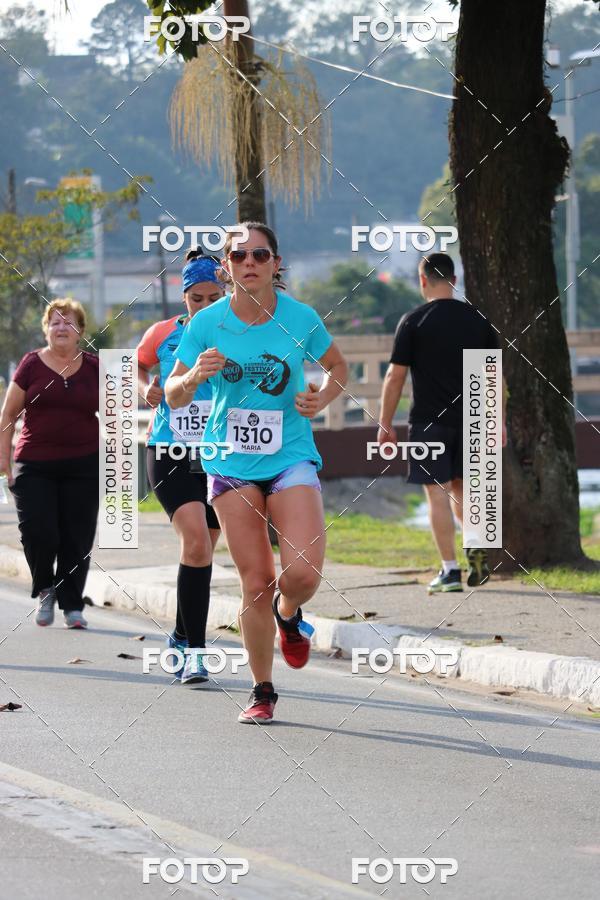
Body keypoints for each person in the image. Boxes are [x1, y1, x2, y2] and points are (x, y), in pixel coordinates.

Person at [166, 222, 348, 724]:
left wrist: (322, 399)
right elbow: (173, 393)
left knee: (302, 574)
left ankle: (289, 616)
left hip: (290, 455)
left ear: (276, 263)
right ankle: (262, 690)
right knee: (256, 582)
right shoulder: (207, 322)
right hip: (229, 462)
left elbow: (337, 367)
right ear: (226, 267)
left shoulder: (300, 317)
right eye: (239, 255)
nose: (250, 263)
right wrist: (193, 376)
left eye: (260, 255)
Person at [376, 253, 507, 593]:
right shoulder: (478, 320)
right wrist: (498, 421)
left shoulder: (413, 321)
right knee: (466, 490)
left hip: (428, 422)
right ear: (454, 280)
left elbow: (394, 377)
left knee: (437, 493)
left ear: (423, 280)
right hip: (474, 420)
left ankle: (449, 572)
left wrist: (385, 422)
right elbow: (493, 377)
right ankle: (475, 544)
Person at [137, 248, 223, 684]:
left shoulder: (235, 332)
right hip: (170, 450)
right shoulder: (162, 333)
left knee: (202, 551)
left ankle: (180, 633)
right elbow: (135, 365)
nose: (204, 306)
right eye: (196, 299)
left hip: (220, 453)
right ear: (183, 297)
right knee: (196, 542)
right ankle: (195, 653)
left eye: (213, 298)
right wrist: (145, 389)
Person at [0, 299, 99, 628]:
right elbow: (8, 414)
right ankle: (45, 587)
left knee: (77, 536)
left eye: (68, 322)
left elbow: (120, 411)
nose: (61, 328)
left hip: (84, 464)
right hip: (35, 463)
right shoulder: (31, 364)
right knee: (38, 531)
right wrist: (3, 460)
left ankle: (72, 605)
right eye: (55, 322)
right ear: (46, 329)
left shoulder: (96, 367)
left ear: (80, 331)